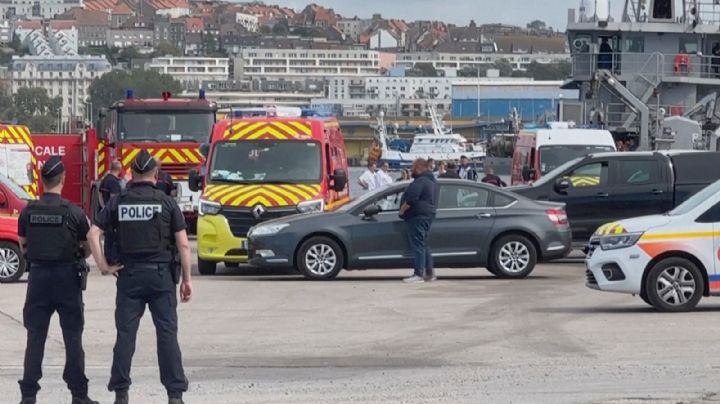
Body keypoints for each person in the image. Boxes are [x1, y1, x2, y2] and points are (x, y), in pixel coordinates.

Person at [87, 150, 193, 404]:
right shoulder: (167, 203)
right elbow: (184, 246)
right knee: (167, 335)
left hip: (129, 276)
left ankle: (121, 393)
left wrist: (103, 266)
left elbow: (93, 234)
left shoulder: (118, 201)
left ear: (131, 174)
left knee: (125, 336)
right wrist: (187, 280)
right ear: (155, 174)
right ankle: (174, 395)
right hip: (161, 277)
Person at [17, 156, 98, 404]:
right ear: (63, 179)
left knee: (35, 338)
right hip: (67, 279)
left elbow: (23, 246)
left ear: (41, 181)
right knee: (73, 338)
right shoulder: (74, 213)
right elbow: (87, 246)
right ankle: (78, 395)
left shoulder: (27, 211)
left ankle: (29, 396)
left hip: (39, 279)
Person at [399, 158, 438, 283]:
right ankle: (429, 273)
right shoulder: (431, 181)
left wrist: (402, 210)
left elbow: (411, 198)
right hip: (427, 215)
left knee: (418, 245)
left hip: (417, 216)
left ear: (419, 168)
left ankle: (418, 274)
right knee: (423, 244)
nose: (411, 170)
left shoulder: (420, 181)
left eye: (413, 167)